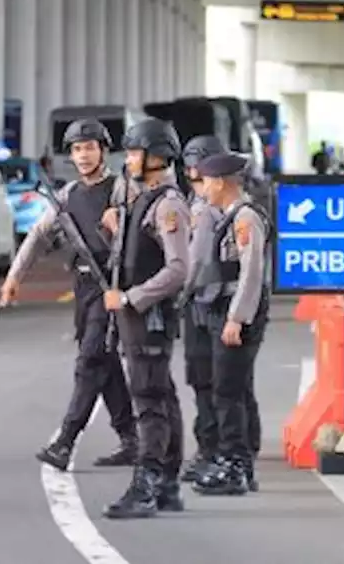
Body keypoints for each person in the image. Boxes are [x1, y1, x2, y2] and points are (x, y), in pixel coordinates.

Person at [0, 119, 138, 471]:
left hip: (115, 284)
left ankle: (66, 440)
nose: (84, 155)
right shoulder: (67, 196)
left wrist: (118, 226)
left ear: (104, 151)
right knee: (104, 363)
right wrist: (14, 277)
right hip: (85, 287)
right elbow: (38, 236)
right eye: (77, 149)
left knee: (91, 361)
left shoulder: (124, 190)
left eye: (90, 147)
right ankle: (130, 438)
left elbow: (144, 234)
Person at [99, 118, 190, 520]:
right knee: (162, 395)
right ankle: (167, 483)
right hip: (138, 315)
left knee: (149, 400)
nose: (129, 160)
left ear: (157, 157)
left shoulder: (168, 204)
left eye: (135, 153)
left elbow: (177, 269)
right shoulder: (140, 199)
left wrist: (131, 298)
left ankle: (147, 484)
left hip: (148, 315)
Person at [190, 152, 269, 496]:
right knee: (224, 386)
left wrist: (236, 319)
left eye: (206, 180)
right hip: (222, 308)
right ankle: (233, 461)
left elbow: (252, 274)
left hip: (238, 312)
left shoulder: (245, 218)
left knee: (228, 391)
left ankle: (236, 463)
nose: (202, 187)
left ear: (220, 182)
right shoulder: (226, 214)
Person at [175, 134, 226, 483]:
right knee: (205, 380)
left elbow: (195, 263)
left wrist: (172, 293)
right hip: (201, 303)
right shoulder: (195, 203)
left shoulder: (212, 208)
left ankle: (218, 451)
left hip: (213, 302)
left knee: (217, 383)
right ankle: (218, 449)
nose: (194, 171)